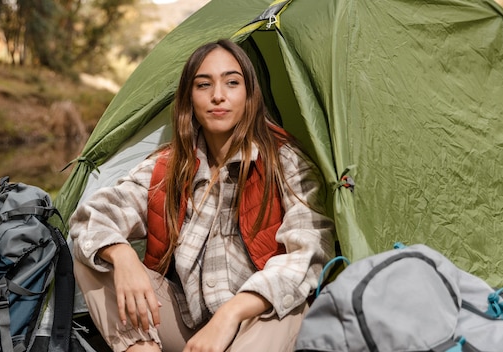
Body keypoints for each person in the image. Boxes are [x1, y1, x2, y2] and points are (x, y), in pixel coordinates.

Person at [69, 39, 336, 352]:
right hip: (186, 324)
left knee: (287, 303)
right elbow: (92, 217)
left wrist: (230, 313)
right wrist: (123, 255)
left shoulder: (285, 162)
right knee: (93, 255)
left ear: (250, 95)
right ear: (189, 98)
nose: (218, 96)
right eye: (203, 84)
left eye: (232, 83)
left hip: (258, 320)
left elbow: (311, 253)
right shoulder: (169, 166)